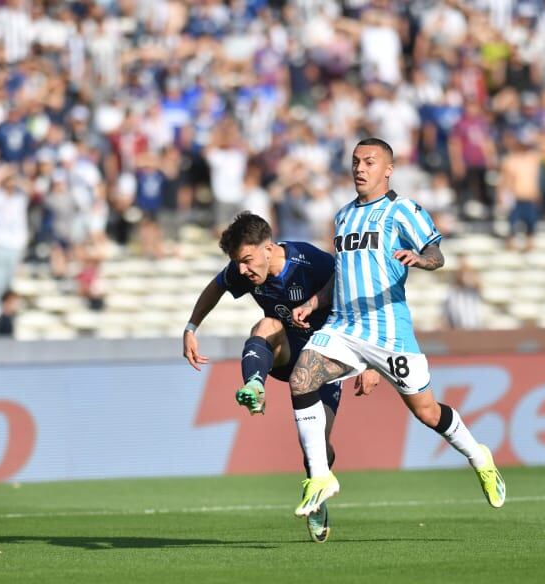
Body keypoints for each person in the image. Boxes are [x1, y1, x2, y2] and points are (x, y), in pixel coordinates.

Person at [288, 138, 506, 520]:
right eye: (355, 161)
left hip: (389, 333)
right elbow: (343, 274)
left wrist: (422, 260)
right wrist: (314, 302)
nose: (359, 168)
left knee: (426, 412)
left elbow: (437, 254)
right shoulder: (342, 216)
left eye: (369, 162)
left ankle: (478, 455)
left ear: (388, 169)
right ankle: (320, 478)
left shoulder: (402, 210)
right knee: (301, 378)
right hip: (343, 326)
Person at [183, 211, 380, 543]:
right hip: (285, 351)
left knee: (316, 445)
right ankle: (255, 386)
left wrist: (371, 362)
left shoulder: (310, 262)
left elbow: (356, 298)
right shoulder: (243, 271)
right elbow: (215, 287)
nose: (242, 270)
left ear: (269, 247)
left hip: (324, 360)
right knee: (266, 326)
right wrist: (191, 327)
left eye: (247, 260)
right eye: (238, 263)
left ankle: (317, 489)